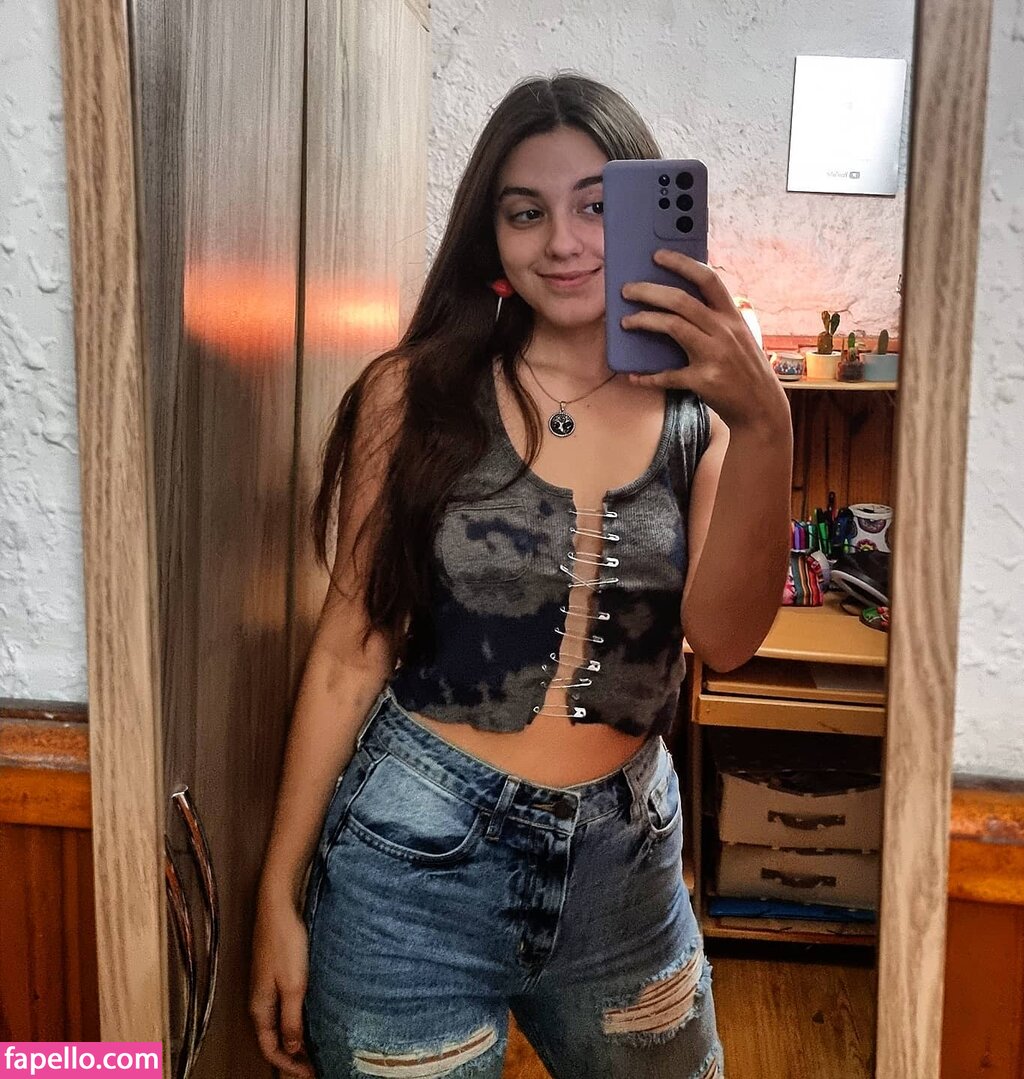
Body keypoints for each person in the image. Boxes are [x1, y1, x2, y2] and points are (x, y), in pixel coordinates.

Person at [250, 72, 792, 1079]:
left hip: (627, 871)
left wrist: (766, 420)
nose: (564, 242)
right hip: (411, 858)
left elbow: (726, 637)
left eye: (596, 206)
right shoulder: (415, 392)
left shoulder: (704, 418)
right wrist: (277, 895)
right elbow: (347, 653)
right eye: (526, 212)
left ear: (644, 215)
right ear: (490, 234)